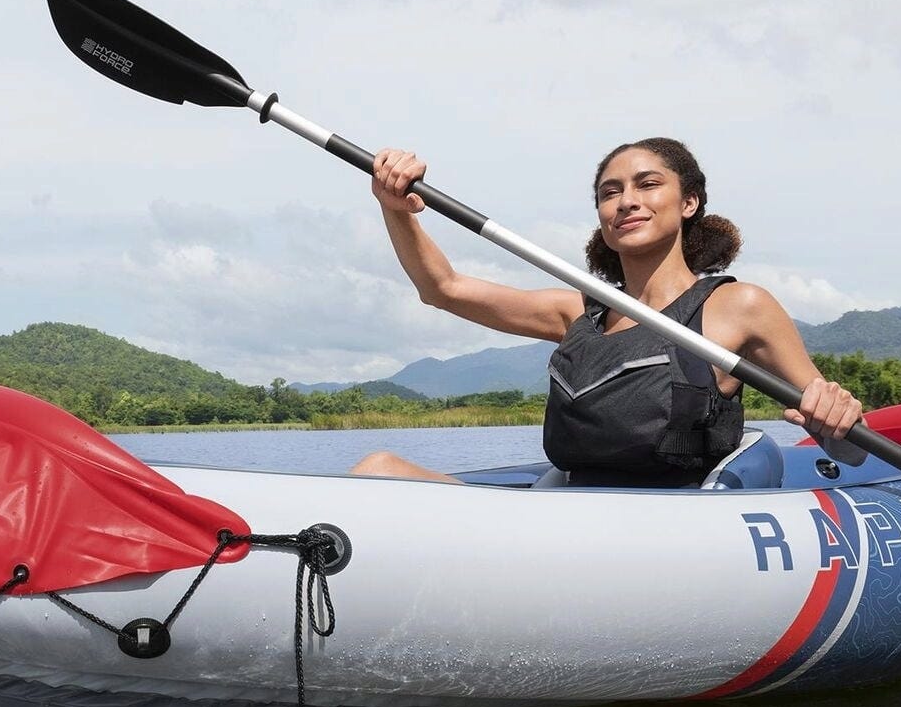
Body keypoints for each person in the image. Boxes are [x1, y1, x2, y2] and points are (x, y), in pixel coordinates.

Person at [353, 136, 865, 482]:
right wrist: (395, 209)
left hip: (673, 525)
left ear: (689, 202)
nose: (626, 201)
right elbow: (443, 288)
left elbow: (851, 449)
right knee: (380, 468)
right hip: (572, 512)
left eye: (648, 184)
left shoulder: (739, 306)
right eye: (610, 192)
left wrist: (834, 418)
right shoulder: (578, 311)